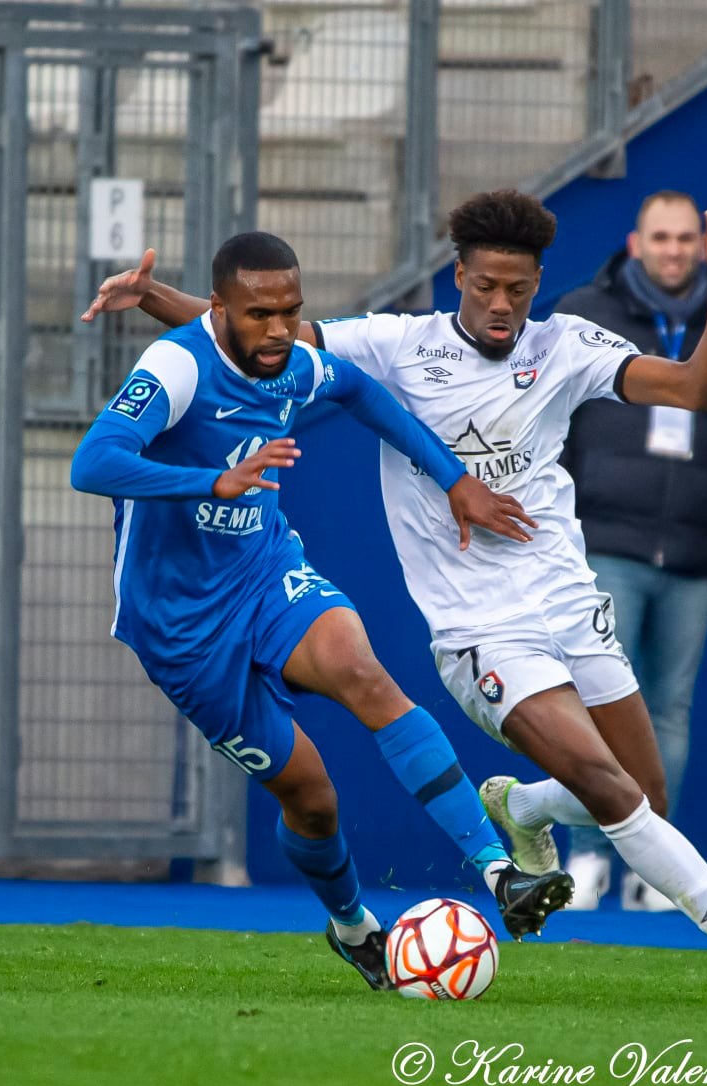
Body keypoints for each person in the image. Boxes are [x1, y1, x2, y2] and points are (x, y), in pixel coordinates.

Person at [83, 192, 707, 1009]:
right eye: (486, 287)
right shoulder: (400, 344)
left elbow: (694, 389)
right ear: (459, 278)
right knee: (569, 791)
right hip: (472, 626)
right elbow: (256, 337)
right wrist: (160, 309)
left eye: (518, 289)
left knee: (642, 795)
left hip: (561, 598)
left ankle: (524, 807)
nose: (502, 304)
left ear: (539, 282)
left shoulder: (569, 344)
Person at [70, 231, 574, 994]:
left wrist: (452, 480)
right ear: (219, 310)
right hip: (180, 628)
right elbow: (93, 462)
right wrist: (212, 482)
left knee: (360, 669)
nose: (280, 330)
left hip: (264, 573)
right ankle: (353, 926)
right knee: (310, 797)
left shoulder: (294, 365)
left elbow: (362, 394)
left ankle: (500, 872)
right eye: (260, 315)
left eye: (291, 311)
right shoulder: (176, 366)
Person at [552, 189, 707, 911]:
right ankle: (589, 856)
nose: (675, 250)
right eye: (662, 237)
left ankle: (654, 864)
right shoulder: (583, 313)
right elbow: (547, 425)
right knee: (596, 701)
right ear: (636, 242)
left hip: (696, 555)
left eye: (686, 238)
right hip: (605, 543)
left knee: (668, 711)